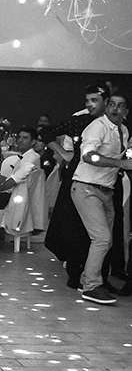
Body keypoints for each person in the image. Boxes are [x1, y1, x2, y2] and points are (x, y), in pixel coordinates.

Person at [41, 82, 110, 290]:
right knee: (74, 227)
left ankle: (100, 277)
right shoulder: (81, 121)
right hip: (77, 178)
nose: (90, 105)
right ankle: (74, 273)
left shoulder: (115, 125)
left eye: (94, 100)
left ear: (106, 101)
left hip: (105, 180)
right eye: (87, 100)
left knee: (102, 231)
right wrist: (64, 154)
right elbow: (46, 133)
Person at [71, 94, 131, 305]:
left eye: (120, 106)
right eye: (112, 104)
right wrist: (120, 164)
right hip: (87, 188)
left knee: (106, 240)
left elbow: (126, 158)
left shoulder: (123, 131)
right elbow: (89, 156)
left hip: (105, 191)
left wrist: (127, 159)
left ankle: (86, 280)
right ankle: (91, 287)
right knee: (102, 239)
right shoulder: (98, 127)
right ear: (106, 107)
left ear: (126, 112)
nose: (115, 109)